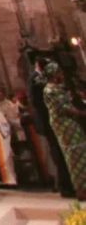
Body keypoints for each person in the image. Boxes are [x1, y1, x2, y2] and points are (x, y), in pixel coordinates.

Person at [42, 62, 86, 199]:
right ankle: (81, 189)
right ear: (54, 75)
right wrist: (81, 113)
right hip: (63, 124)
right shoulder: (49, 90)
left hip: (71, 122)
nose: (61, 75)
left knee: (82, 152)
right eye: (59, 73)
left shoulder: (58, 87)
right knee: (74, 155)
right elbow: (63, 107)